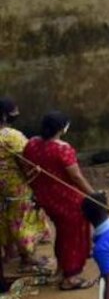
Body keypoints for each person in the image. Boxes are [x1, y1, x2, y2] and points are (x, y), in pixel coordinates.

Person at [23, 112, 98, 290]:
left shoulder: (32, 144)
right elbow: (76, 176)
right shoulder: (62, 149)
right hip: (68, 200)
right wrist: (94, 196)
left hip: (47, 198)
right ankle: (71, 277)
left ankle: (61, 269)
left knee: (63, 234)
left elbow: (26, 166)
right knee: (74, 236)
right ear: (63, 128)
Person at [0, 98, 51, 274]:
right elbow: (28, 158)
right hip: (16, 186)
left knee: (4, 218)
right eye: (14, 111)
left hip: (2, 187)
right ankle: (27, 260)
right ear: (5, 115)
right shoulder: (11, 136)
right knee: (22, 219)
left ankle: (9, 253)